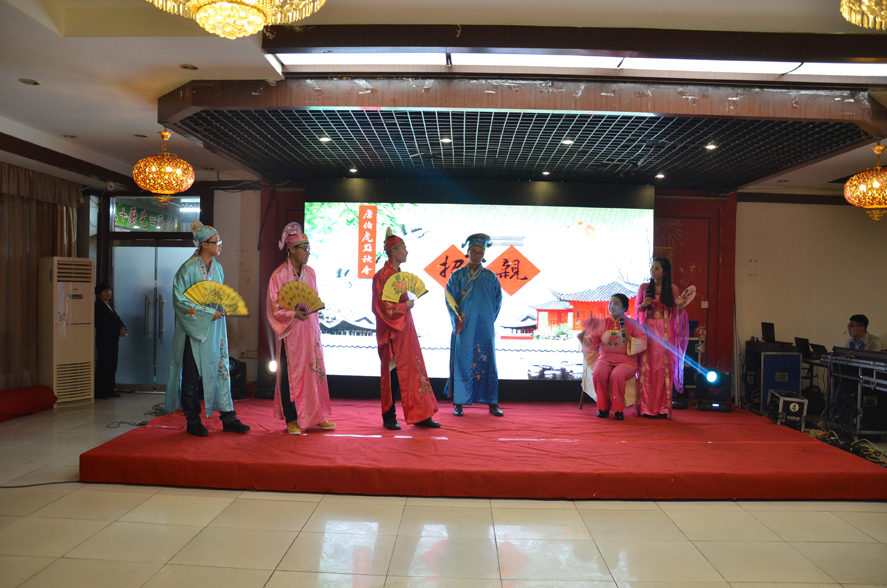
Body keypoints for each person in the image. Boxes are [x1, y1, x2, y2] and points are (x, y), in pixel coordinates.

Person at [164, 220, 250, 437]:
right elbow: (180, 301)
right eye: (216, 241)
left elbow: (217, 295)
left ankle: (228, 417)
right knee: (192, 377)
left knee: (221, 371)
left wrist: (220, 308)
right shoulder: (187, 269)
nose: (220, 245)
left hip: (215, 328)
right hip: (194, 330)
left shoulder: (217, 268)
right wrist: (206, 313)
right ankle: (193, 421)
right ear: (203, 244)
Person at [267, 222, 335, 435]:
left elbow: (313, 299)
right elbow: (274, 307)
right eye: (304, 249)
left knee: (313, 372)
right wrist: (293, 314)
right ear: (291, 250)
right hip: (291, 332)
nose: (308, 253)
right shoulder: (278, 275)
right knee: (290, 375)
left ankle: (316, 415)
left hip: (309, 329)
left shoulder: (311, 273)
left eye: (308, 248)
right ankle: (292, 418)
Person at [371, 227, 440, 430]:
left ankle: (421, 414)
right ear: (393, 252)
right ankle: (389, 416)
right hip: (391, 331)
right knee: (393, 373)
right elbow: (380, 307)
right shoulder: (381, 276)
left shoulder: (399, 275)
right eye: (403, 248)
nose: (407, 252)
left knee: (414, 370)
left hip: (406, 328)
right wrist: (404, 306)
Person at [444, 233, 504, 417]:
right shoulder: (457, 276)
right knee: (462, 360)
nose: (477, 255)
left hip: (484, 326)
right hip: (464, 327)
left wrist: (488, 319)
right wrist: (457, 317)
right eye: (474, 251)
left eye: (480, 252)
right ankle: (459, 402)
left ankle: (492, 402)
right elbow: (449, 300)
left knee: (488, 361)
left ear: (484, 254)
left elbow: (497, 301)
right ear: (467, 252)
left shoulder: (490, 277)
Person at [636, 257, 690, 418]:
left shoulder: (672, 289)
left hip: (666, 333)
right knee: (647, 368)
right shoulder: (644, 287)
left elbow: (676, 313)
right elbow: (637, 310)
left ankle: (662, 408)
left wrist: (681, 307)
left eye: (657, 268)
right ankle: (645, 407)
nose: (652, 270)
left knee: (663, 368)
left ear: (665, 272)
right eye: (652, 267)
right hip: (648, 331)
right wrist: (643, 305)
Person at [580, 294, 648, 420]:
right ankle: (602, 408)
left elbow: (643, 343)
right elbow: (591, 341)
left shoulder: (633, 324)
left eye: (616, 304)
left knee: (617, 375)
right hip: (605, 358)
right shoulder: (603, 323)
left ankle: (618, 410)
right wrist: (582, 338)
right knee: (598, 373)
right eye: (610, 303)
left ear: (625, 308)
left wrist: (629, 338)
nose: (611, 306)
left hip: (627, 361)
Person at [94, 282, 126, 399]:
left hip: (112, 339)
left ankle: (109, 388)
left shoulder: (109, 304)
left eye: (109, 290)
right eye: (105, 291)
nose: (108, 293)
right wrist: (118, 331)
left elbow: (116, 318)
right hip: (104, 340)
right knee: (104, 364)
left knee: (112, 364)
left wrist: (122, 327)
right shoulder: (98, 306)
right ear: (98, 294)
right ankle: (100, 390)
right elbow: (103, 323)